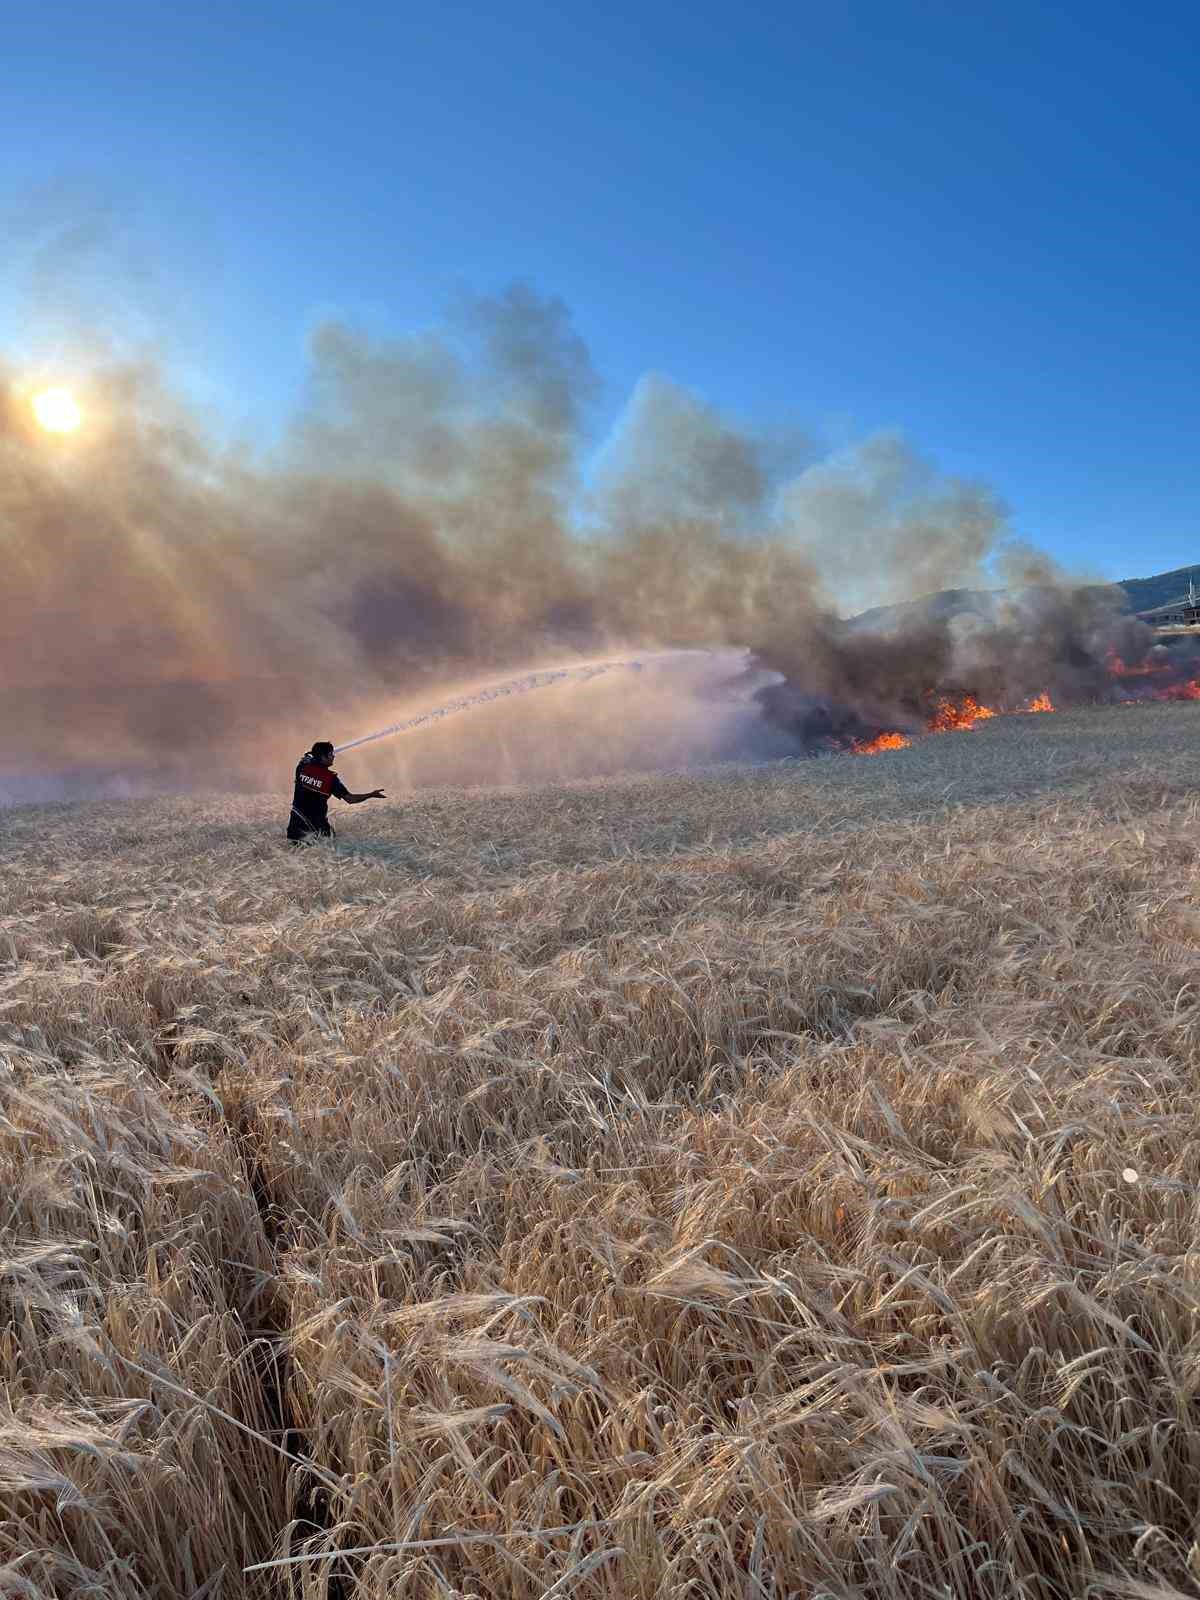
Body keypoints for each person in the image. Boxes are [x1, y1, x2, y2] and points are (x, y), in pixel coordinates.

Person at [287, 741, 385, 844]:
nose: (333, 756)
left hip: (294, 827)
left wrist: (309, 757)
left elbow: (306, 760)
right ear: (323, 757)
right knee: (332, 845)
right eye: (331, 754)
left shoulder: (301, 767)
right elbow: (350, 799)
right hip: (317, 829)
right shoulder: (331, 779)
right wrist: (371, 795)